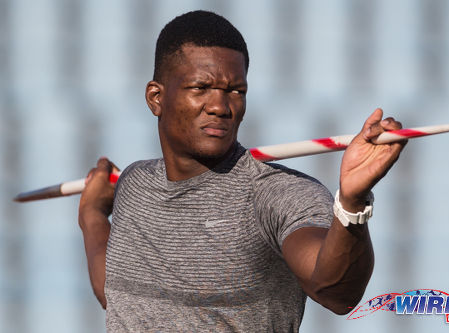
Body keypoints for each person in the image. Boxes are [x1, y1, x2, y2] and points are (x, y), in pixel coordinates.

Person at [78, 10, 406, 332]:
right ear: (156, 98)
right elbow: (120, 293)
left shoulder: (276, 193)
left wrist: (352, 202)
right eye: (201, 87)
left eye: (236, 91)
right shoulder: (134, 185)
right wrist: (93, 215)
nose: (221, 106)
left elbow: (338, 293)